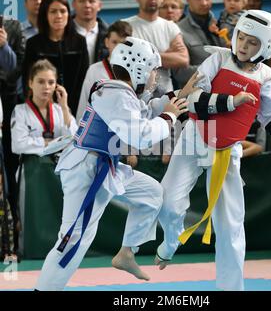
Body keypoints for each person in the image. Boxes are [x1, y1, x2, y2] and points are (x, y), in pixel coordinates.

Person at [155, 10, 271, 291]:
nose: (243, 46)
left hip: (227, 152)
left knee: (230, 225)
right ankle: (172, 237)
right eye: (241, 38)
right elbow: (194, 99)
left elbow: (270, 119)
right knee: (167, 203)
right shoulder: (218, 59)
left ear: (267, 48)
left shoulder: (267, 79)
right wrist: (232, 101)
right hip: (195, 137)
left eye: (252, 43)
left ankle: (231, 288)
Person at [35, 37, 196, 291]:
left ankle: (127, 252)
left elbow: (146, 110)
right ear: (140, 68)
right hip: (85, 170)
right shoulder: (115, 95)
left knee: (152, 193)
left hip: (103, 165)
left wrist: (181, 93)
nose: (156, 76)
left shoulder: (121, 92)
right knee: (73, 239)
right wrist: (169, 117)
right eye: (155, 70)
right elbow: (140, 135)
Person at [11, 59, 78, 256]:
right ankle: (28, 251)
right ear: (30, 83)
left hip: (58, 172)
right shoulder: (20, 111)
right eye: (41, 82)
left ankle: (57, 252)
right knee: (31, 216)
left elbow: (74, 138)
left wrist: (65, 106)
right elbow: (18, 144)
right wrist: (53, 143)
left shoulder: (59, 111)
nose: (46, 87)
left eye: (51, 82)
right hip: (31, 173)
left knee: (58, 215)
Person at [76, 20, 138, 168]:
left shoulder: (136, 72)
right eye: (114, 42)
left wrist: (131, 149)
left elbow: (137, 113)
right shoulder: (94, 70)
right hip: (98, 137)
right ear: (106, 42)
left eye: (123, 44)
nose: (118, 47)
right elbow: (84, 105)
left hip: (126, 139)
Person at [22, 0, 89, 117]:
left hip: (76, 108)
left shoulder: (80, 42)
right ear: (45, 15)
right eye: (53, 11)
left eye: (63, 11)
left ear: (69, 14)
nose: (58, 16)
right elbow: (28, 81)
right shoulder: (33, 44)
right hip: (43, 110)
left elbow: (84, 79)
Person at [124, 0, 189, 95]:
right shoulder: (125, 26)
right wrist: (167, 54)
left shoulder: (170, 27)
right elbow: (128, 61)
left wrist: (143, 55)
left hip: (166, 98)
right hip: (135, 96)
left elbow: (183, 59)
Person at [0, 17, 25, 259]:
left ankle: (10, 244)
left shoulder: (12, 27)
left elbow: (12, 70)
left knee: (7, 183)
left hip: (5, 113)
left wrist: (3, 46)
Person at [172, 0, 225, 89]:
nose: (204, 3)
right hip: (196, 97)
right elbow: (180, 73)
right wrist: (216, 68)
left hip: (227, 94)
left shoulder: (223, 25)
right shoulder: (177, 30)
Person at [72, 0, 109, 65]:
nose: (87, 5)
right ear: (73, 4)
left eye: (91, 1)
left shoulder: (109, 34)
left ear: (99, 6)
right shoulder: (62, 31)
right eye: (81, 1)